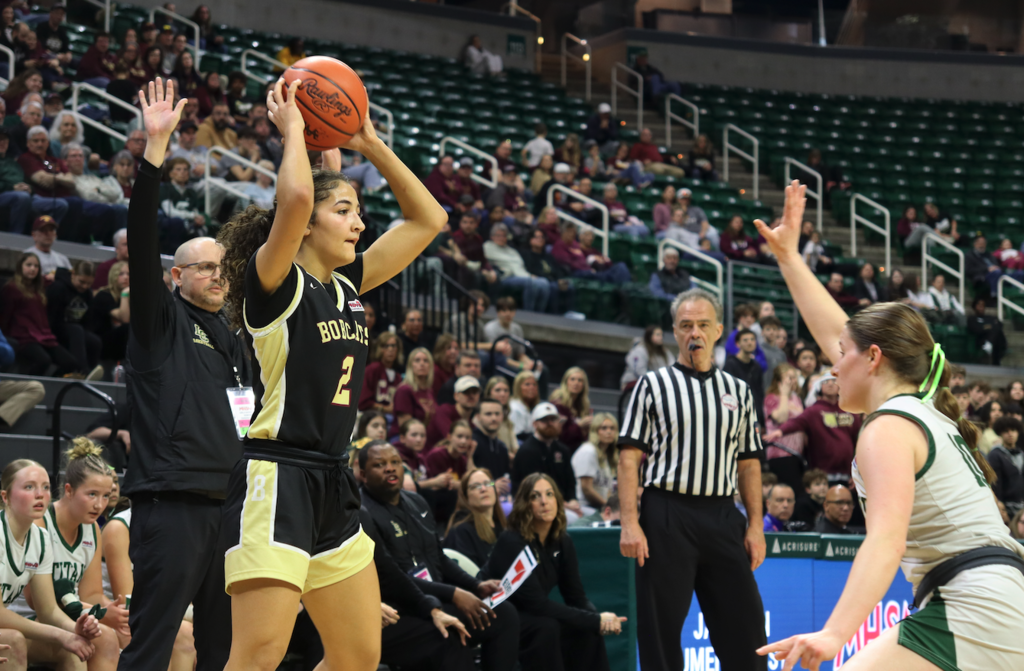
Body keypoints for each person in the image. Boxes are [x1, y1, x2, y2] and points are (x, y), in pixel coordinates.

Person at [213, 66, 453, 668]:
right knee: (259, 654)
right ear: (308, 226)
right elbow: (295, 197)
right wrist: (293, 127)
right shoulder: (273, 283)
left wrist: (368, 143)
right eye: (345, 211)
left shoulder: (346, 285)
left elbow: (431, 221)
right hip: (277, 477)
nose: (360, 222)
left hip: (333, 483)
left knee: (356, 655)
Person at [755, 180, 1024, 671]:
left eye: (842, 358)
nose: (833, 368)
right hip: (996, 598)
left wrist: (835, 633)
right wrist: (790, 259)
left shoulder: (888, 427)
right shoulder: (925, 411)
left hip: (974, 603)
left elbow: (885, 540)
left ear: (874, 358)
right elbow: (842, 333)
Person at [115, 78, 250, 671]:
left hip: (231, 509)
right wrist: (154, 154)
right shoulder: (158, 321)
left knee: (221, 653)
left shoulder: (236, 335)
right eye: (205, 267)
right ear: (175, 276)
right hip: (171, 506)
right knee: (152, 646)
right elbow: (143, 242)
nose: (219, 275)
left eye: (224, 267)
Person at [619, 287, 767, 671]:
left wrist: (755, 526)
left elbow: (749, 463)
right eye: (686, 326)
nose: (695, 333)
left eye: (703, 325)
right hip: (666, 512)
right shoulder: (652, 385)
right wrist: (631, 523)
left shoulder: (739, 390)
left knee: (746, 629)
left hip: (721, 514)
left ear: (719, 330)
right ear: (675, 332)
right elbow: (629, 458)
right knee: (661, 630)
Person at [359, 443, 523, 671]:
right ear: (363, 475)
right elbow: (389, 578)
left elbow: (440, 558)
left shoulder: (417, 501)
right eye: (379, 464)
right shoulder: (362, 512)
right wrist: (454, 594)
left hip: (436, 596)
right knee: (451, 636)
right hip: (400, 608)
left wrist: (475, 585)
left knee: (503, 615)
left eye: (395, 462)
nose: (390, 469)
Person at [483, 472, 625, 671]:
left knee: (587, 629)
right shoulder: (511, 541)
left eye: (549, 494)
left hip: (532, 614)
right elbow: (537, 605)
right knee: (547, 627)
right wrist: (595, 620)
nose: (544, 502)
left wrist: (598, 620)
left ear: (558, 501)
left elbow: (576, 596)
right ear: (525, 504)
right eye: (535, 496)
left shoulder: (563, 541)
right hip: (498, 615)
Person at [23, 439, 124, 666]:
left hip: (69, 617)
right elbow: (36, 601)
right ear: (69, 490)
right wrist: (99, 613)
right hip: (29, 620)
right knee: (96, 639)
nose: (100, 504)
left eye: (106, 496)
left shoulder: (92, 530)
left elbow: (90, 594)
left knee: (120, 635)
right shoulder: (40, 524)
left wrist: (113, 612)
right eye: (92, 494)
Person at [0, 458, 106, 668]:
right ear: (6, 497)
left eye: (45, 487)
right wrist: (61, 635)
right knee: (13, 641)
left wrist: (75, 629)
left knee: (74, 649)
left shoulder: (40, 538)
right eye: (29, 487)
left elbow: (48, 609)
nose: (40, 494)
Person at [101, 500, 199, 670]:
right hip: (121, 614)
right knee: (169, 636)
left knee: (195, 634)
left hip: (158, 609)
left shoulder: (178, 528)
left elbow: (182, 591)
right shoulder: (119, 527)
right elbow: (128, 600)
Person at [0, 252, 80, 377]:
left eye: (36, 266)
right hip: (23, 336)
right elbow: (5, 314)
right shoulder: (12, 288)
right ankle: (30, 388)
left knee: (70, 363)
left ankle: (55, 390)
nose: (32, 269)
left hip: (44, 336)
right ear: (20, 266)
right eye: (29, 265)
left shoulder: (40, 287)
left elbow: (66, 276)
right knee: (43, 360)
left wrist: (55, 275)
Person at [511, 402, 581, 517]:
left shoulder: (563, 450)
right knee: (574, 518)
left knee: (590, 516)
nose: (549, 423)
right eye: (544, 420)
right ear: (535, 424)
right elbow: (532, 488)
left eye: (553, 419)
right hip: (534, 505)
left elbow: (570, 482)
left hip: (563, 504)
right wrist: (564, 505)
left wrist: (573, 500)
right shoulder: (527, 451)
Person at [46, 260, 102, 378]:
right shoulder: (58, 288)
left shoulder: (88, 293)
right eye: (81, 282)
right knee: (76, 330)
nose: (85, 286)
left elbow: (88, 320)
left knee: (95, 341)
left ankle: (91, 372)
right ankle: (82, 371)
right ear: (73, 274)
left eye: (89, 284)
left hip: (75, 330)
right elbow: (50, 316)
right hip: (56, 328)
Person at [444, 468, 506, 568]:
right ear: (466, 497)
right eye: (475, 486)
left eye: (487, 483)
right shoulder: (461, 532)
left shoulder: (503, 525)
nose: (483, 489)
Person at [484, 225, 550, 312]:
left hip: (521, 275)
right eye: (498, 235)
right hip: (505, 276)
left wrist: (529, 275)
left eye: (504, 235)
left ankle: (540, 313)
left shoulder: (511, 250)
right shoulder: (487, 247)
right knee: (530, 282)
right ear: (492, 237)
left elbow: (520, 266)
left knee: (544, 282)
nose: (501, 238)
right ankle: (529, 313)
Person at [571, 413, 618, 511]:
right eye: (604, 428)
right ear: (595, 431)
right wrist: (609, 507)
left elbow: (607, 489)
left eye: (612, 428)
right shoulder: (588, 451)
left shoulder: (606, 455)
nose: (609, 432)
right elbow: (587, 490)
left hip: (598, 507)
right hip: (583, 506)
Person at [725, 328, 766, 428]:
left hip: (753, 417)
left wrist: (761, 420)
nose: (750, 343)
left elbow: (759, 394)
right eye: (745, 340)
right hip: (735, 417)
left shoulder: (756, 366)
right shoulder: (730, 364)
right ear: (738, 344)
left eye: (752, 339)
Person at [427, 376, 480, 449]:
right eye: (466, 392)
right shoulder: (444, 411)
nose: (471, 396)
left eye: (474, 392)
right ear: (456, 396)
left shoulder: (471, 425)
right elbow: (452, 439)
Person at [470, 397, 511, 492]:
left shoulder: (502, 447)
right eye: (488, 414)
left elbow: (503, 479)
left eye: (497, 414)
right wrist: (491, 485)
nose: (494, 418)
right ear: (478, 416)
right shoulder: (472, 443)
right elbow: (469, 483)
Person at [392, 347, 438, 430]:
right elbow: (405, 427)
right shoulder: (404, 390)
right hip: (407, 438)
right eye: (417, 360)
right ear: (410, 365)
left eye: (426, 361)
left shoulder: (429, 391)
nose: (422, 364)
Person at [548, 367, 593, 451]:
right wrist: (579, 425)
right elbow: (561, 435)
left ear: (584, 385)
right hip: (559, 449)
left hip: (577, 449)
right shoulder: (558, 404)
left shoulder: (583, 405)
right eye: (572, 379)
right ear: (566, 382)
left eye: (580, 380)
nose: (576, 383)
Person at [987, 416, 1023, 516]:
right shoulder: (995, 454)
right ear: (1000, 433)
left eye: (1013, 430)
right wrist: (999, 503)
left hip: (1021, 506)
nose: (1010, 434)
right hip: (1005, 507)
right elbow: (995, 482)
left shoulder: (1021, 454)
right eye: (1006, 431)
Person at [358, 331, 403, 413]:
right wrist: (384, 408)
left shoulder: (398, 377)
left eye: (393, 346)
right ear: (379, 349)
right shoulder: (372, 369)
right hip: (370, 415)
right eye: (385, 346)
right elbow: (362, 402)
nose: (390, 349)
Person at [23, 214, 69, 278]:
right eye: (43, 230)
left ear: (55, 235)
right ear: (34, 235)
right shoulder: (27, 256)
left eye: (51, 230)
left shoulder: (62, 259)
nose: (48, 233)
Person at [967, 297, 1007, 366]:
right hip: (980, 340)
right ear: (975, 307)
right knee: (996, 332)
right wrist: (989, 326)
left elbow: (1000, 324)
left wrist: (986, 327)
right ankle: (989, 346)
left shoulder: (989, 317)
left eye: (983, 306)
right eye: (979, 306)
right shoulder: (972, 319)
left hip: (994, 340)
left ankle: (989, 344)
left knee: (997, 332)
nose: (981, 308)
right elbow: (977, 329)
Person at [510, 370, 541, 438]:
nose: (532, 387)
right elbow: (517, 435)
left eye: (534, 384)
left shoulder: (534, 407)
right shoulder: (515, 408)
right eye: (527, 384)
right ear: (518, 387)